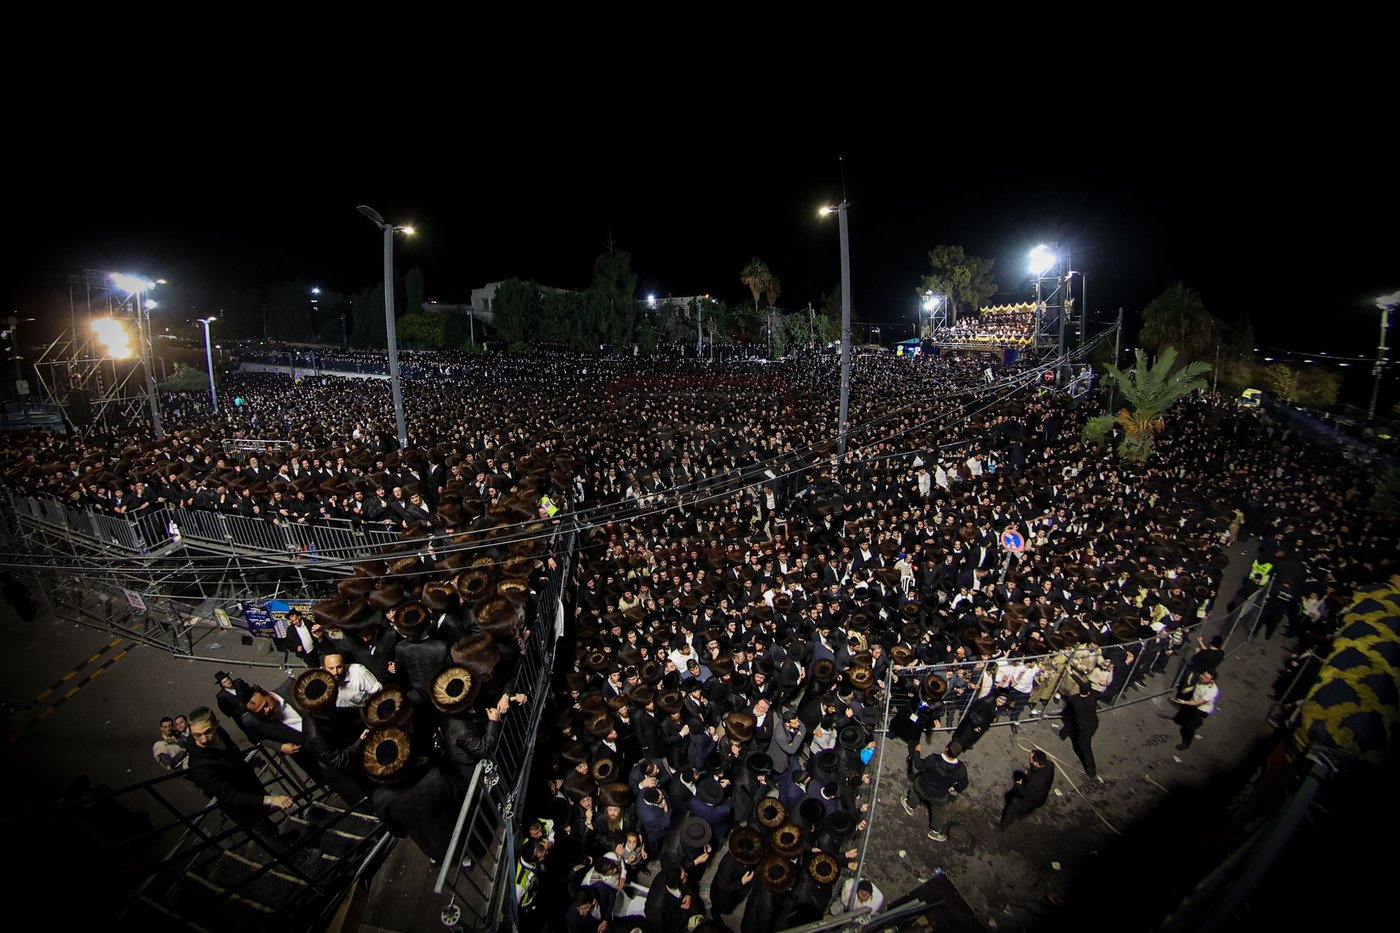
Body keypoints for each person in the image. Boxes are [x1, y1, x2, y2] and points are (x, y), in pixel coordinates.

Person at [184, 707, 295, 858]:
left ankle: (285, 845)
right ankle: (293, 858)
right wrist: (270, 799)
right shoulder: (200, 767)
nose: (204, 739)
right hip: (242, 807)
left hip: (251, 789)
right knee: (268, 834)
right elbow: (230, 797)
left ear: (217, 724)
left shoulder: (220, 734)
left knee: (269, 827)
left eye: (207, 732)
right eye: (197, 735)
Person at [903, 741, 969, 842]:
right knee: (938, 811)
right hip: (939, 795)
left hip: (922, 786)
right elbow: (964, 784)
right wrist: (955, 788)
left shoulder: (934, 759)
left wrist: (917, 751)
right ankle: (935, 831)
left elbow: (918, 765)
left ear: (946, 748)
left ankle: (910, 806)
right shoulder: (961, 769)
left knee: (915, 791)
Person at [1059, 678, 1102, 782]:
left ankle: (1091, 772)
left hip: (1084, 727)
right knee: (1071, 725)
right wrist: (1073, 674)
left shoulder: (1075, 700)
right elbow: (1083, 685)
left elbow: (1070, 699)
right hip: (1093, 724)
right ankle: (1064, 734)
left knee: (1085, 748)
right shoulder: (1092, 699)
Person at [999, 749, 1054, 828]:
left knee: (1014, 805)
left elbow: (1024, 793)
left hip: (1032, 799)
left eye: (1031, 759)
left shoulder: (1035, 780)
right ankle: (1022, 815)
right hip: (1042, 797)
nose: (1029, 759)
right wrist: (1030, 772)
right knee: (1029, 808)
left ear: (1036, 763)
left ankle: (1002, 826)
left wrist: (1019, 785)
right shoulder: (1050, 765)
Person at [1170, 670, 1219, 750]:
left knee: (1190, 727)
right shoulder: (1202, 680)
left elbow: (1197, 703)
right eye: (1203, 674)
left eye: (1206, 677)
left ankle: (1186, 743)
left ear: (1212, 681)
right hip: (1192, 702)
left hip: (1201, 709)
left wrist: (1183, 701)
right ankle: (1197, 722)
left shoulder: (1212, 692)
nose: (1202, 677)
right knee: (1184, 717)